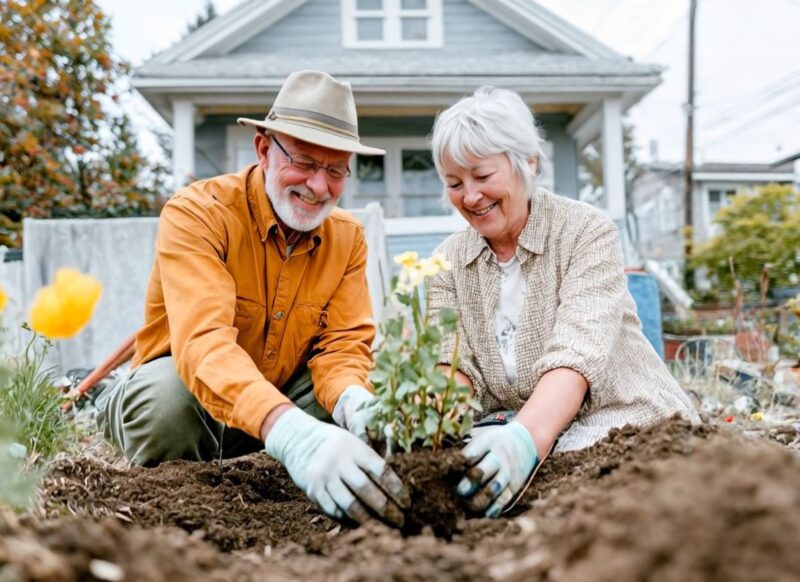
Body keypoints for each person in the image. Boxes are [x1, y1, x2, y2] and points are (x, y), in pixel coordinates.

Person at [96, 70, 409, 526]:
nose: (318, 186)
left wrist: (353, 402)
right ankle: (165, 483)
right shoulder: (199, 214)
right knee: (166, 402)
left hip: (272, 404)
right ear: (263, 149)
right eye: (304, 162)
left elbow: (341, 348)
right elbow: (204, 345)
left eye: (335, 170)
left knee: (367, 387)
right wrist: (290, 431)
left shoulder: (348, 239)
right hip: (192, 405)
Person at [427, 86, 701, 518]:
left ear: (528, 163)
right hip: (524, 427)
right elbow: (452, 363)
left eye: (482, 176)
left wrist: (523, 440)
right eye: (455, 184)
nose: (471, 196)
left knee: (614, 501)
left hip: (620, 417)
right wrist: (432, 424)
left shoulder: (585, 232)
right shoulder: (447, 261)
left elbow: (577, 354)